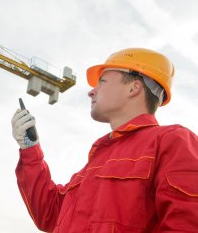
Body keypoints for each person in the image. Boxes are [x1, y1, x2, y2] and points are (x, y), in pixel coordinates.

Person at [11, 48, 198, 232]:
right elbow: (49, 215)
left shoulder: (172, 141)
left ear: (134, 88)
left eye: (102, 81)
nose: (91, 92)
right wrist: (30, 150)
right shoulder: (98, 159)